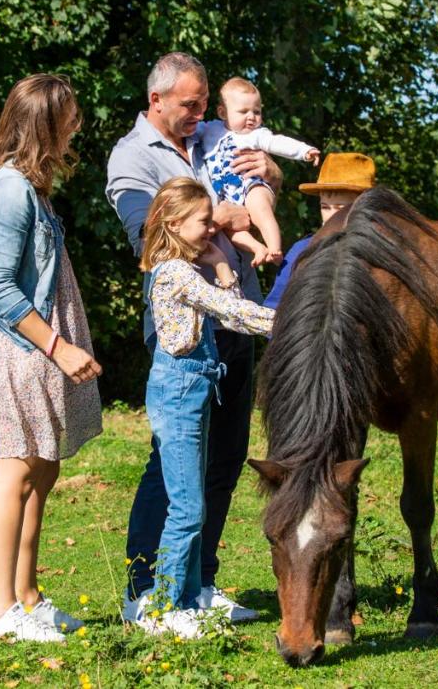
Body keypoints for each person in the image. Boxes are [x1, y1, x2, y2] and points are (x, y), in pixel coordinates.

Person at [106, 52, 281, 624]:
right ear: (156, 100)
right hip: (184, 331)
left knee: (227, 455)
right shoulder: (132, 158)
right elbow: (147, 234)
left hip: (237, 317)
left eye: (205, 103)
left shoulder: (215, 133)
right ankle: (143, 590)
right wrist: (223, 225)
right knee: (175, 461)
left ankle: (199, 584)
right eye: (189, 104)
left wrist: (266, 182)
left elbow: (265, 177)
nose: (200, 114)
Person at [0, 74, 104, 643]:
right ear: (44, 123)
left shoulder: (31, 187)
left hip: (34, 341)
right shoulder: (11, 189)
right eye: (69, 118)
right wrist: (57, 345)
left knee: (44, 465)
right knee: (16, 466)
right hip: (15, 344)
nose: (76, 127)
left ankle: (27, 597)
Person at [133, 177, 275, 637]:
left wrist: (221, 266)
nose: (212, 230)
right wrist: (291, 322)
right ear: (174, 224)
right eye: (203, 223)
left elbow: (226, 308)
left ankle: (190, 598)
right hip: (177, 394)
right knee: (188, 507)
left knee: (190, 499)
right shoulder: (174, 273)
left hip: (193, 393)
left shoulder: (186, 268)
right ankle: (164, 608)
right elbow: (233, 313)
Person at [200, 77, 320, 266]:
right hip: (227, 196)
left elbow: (278, 142)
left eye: (256, 112)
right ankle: (258, 248)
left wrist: (304, 151)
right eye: (243, 111)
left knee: (260, 209)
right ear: (223, 112)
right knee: (230, 231)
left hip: (251, 184)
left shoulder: (256, 134)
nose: (251, 117)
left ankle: (274, 247)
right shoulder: (209, 129)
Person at [263, 152, 377, 310]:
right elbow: (274, 308)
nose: (332, 216)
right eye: (325, 207)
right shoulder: (302, 250)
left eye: (341, 208)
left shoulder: (379, 253)